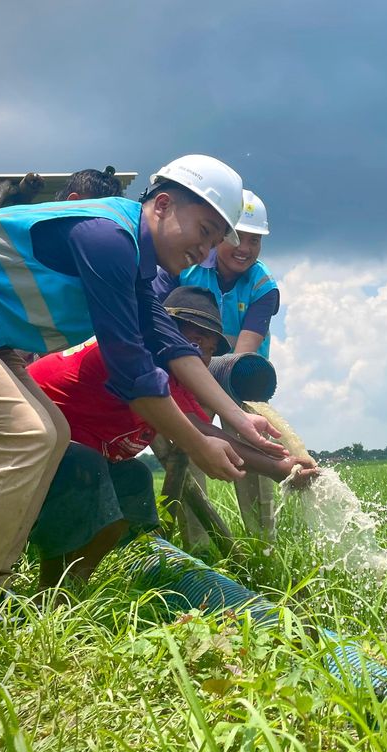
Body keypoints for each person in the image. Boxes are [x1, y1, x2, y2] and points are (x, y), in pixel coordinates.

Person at [0, 154, 285, 612]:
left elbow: (169, 344)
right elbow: (133, 370)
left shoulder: (135, 258)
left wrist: (237, 419)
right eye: (206, 230)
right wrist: (196, 444)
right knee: (24, 437)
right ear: (164, 204)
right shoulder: (108, 237)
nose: (207, 250)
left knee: (50, 436)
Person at [0, 285, 317, 592]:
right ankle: (52, 597)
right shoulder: (125, 356)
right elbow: (195, 431)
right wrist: (275, 467)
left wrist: (280, 465)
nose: (202, 352)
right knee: (84, 471)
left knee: (132, 479)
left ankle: (67, 590)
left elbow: (212, 432)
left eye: (211, 346)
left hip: (45, 458)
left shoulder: (172, 378)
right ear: (163, 332)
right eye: (194, 337)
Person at [153, 190, 280, 540]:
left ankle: (262, 544)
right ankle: (201, 546)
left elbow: (243, 352)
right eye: (239, 238)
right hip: (181, 374)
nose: (246, 249)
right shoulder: (186, 266)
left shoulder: (263, 285)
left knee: (255, 446)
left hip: (241, 379)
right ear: (220, 235)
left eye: (255, 241)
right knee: (189, 447)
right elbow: (157, 319)